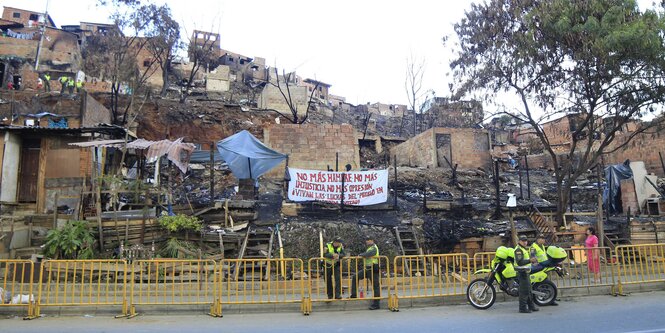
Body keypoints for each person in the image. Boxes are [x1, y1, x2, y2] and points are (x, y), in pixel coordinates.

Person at [350, 235, 381, 310]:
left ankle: (376, 304)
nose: (367, 241)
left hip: (373, 269)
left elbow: (369, 254)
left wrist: (361, 255)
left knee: (375, 286)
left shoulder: (374, 247)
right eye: (366, 240)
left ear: (372, 240)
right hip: (367, 268)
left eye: (368, 240)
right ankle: (353, 295)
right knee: (355, 277)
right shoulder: (369, 248)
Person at [531, 235, 558, 305]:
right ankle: (547, 298)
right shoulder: (533, 247)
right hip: (538, 268)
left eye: (544, 239)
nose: (544, 240)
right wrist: (536, 265)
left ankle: (550, 298)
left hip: (544, 267)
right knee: (541, 283)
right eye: (542, 239)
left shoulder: (542, 246)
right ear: (538, 239)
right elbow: (532, 257)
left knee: (546, 283)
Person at [515, 235, 538, 313]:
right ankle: (522, 308)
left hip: (526, 271)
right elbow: (520, 262)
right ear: (519, 241)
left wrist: (532, 261)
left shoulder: (523, 249)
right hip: (522, 272)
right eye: (523, 241)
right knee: (524, 291)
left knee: (528, 290)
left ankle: (531, 306)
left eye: (526, 241)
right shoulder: (518, 250)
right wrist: (530, 260)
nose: (525, 242)